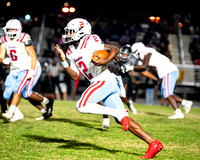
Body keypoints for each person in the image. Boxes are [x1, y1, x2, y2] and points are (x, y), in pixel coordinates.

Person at [55, 18, 163, 159]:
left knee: (81, 106)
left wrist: (105, 61)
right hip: (101, 82)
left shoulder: (91, 40)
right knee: (123, 119)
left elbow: (114, 49)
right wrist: (63, 61)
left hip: (103, 80)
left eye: (71, 31)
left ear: (81, 32)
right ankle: (153, 143)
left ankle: (117, 113)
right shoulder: (70, 50)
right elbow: (75, 76)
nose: (68, 34)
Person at [0, 19, 53, 122]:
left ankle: (12, 112)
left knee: (25, 92)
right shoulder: (3, 40)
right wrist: (4, 60)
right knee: (14, 93)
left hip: (29, 67)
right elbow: (1, 56)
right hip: (15, 69)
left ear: (19, 30)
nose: (11, 32)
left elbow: (33, 56)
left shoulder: (24, 38)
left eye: (13, 29)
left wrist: (32, 70)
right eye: (9, 30)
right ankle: (43, 110)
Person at [124, 42, 193, 119]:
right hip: (170, 71)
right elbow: (147, 68)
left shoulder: (147, 52)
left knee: (167, 93)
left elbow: (144, 67)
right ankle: (185, 102)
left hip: (169, 71)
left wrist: (130, 68)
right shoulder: (149, 52)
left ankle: (178, 112)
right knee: (165, 94)